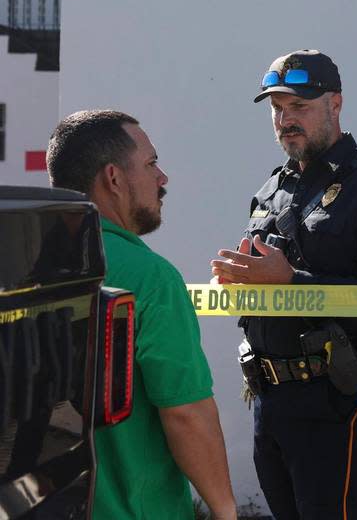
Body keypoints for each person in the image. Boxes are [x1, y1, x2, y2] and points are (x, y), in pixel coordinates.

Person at [210, 49, 357, 520]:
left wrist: (291, 280)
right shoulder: (271, 189)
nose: (286, 119)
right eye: (277, 108)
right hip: (269, 392)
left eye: (299, 106)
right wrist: (237, 281)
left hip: (334, 397)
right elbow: (262, 274)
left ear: (336, 105)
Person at [46, 110, 236, 520]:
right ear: (113, 178)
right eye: (151, 164)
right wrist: (225, 510)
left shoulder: (24, 261)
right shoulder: (151, 278)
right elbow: (186, 413)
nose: (162, 178)